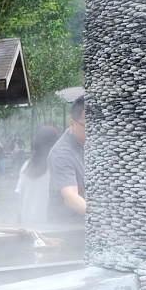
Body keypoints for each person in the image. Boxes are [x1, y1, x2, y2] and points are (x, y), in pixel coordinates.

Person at [48, 95, 86, 223]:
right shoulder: (61, 153)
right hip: (67, 228)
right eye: (88, 126)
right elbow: (70, 197)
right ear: (72, 124)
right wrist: (104, 218)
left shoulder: (95, 144)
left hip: (89, 224)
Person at [16, 126, 61, 227]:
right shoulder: (56, 166)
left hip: (26, 222)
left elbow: (20, 197)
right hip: (48, 224)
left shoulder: (26, 166)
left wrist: (19, 218)